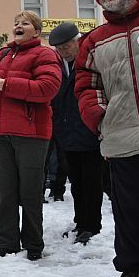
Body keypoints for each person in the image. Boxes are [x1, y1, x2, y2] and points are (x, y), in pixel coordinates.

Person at [75, 0, 139, 277]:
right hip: (121, 135)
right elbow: (87, 84)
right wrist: (99, 116)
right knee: (127, 209)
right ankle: (131, 269)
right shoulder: (94, 41)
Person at [0, 11, 61, 260]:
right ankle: (6, 243)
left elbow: (47, 89)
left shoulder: (45, 54)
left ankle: (34, 244)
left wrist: (7, 84)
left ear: (36, 30)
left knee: (30, 192)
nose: (18, 26)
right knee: (4, 191)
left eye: (25, 23)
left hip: (31, 133)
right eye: (16, 23)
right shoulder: (3, 53)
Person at [48, 22, 104, 245]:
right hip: (66, 131)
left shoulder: (90, 61)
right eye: (59, 48)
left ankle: (92, 224)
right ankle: (80, 221)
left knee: (92, 181)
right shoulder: (60, 66)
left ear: (77, 41)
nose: (63, 51)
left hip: (88, 130)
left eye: (66, 46)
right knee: (76, 181)